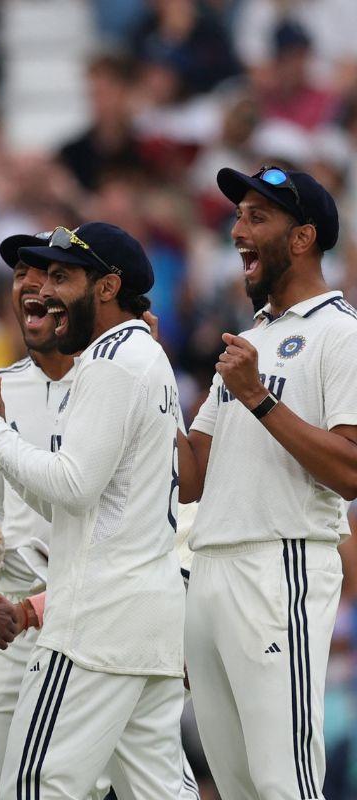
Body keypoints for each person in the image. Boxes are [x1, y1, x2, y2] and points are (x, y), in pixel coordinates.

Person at [0, 222, 185, 798]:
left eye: (63, 276)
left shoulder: (110, 363)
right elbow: (71, 497)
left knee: (32, 784)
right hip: (147, 614)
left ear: (107, 287)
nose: (44, 290)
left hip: (94, 620)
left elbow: (72, 487)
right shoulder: (143, 356)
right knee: (159, 788)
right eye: (43, 274)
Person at [179, 166, 357, 799]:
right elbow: (190, 478)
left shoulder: (342, 333)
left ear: (304, 236)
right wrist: (143, 387)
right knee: (234, 783)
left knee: (284, 780)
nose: (237, 231)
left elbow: (351, 470)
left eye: (257, 217)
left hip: (280, 564)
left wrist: (256, 396)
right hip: (213, 567)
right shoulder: (250, 339)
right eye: (237, 216)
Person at [0, 231, 75, 786]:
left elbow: (162, 520)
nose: (32, 285)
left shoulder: (124, 379)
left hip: (95, 619)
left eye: (52, 273)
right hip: (9, 629)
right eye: (21, 275)